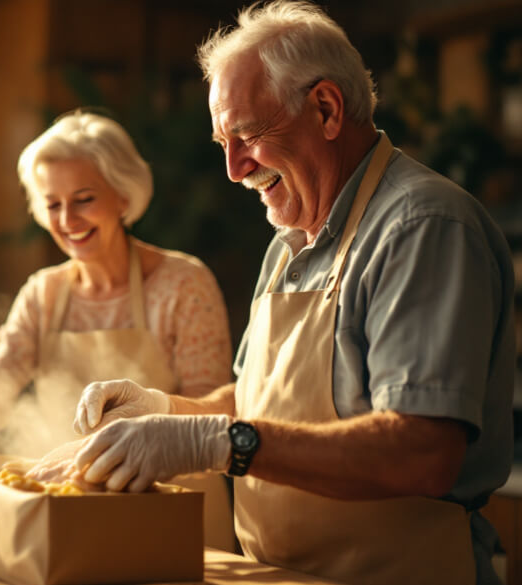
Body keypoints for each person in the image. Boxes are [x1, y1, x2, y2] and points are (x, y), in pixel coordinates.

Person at [63, 3, 513, 585]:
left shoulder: (420, 225)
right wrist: (165, 411)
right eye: (223, 142)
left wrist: (218, 441)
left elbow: (421, 450)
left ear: (326, 109)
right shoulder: (288, 243)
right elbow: (260, 402)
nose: (232, 168)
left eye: (247, 135)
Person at [0, 111, 236, 549]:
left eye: (83, 199)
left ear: (122, 195)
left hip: (172, 519)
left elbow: (215, 413)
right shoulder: (44, 293)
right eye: (52, 204)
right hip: (68, 514)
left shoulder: (183, 284)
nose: (67, 220)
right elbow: (0, 376)